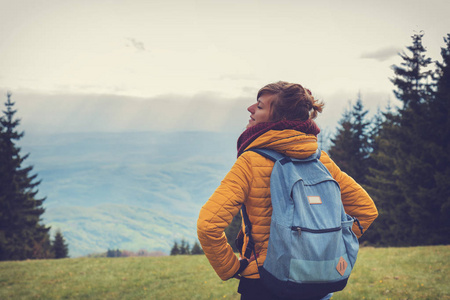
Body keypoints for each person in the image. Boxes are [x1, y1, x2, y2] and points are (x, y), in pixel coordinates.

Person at [197, 81, 378, 300]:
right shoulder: (321, 161)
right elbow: (366, 210)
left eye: (260, 106)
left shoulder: (251, 162)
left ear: (280, 119)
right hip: (316, 284)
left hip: (263, 283)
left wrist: (231, 268)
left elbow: (208, 225)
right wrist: (322, 248)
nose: (250, 109)